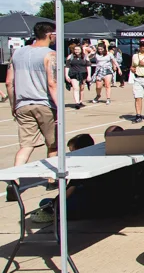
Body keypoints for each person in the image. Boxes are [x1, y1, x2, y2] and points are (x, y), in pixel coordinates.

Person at [6, 22, 58, 166]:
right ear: (49, 35)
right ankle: (52, 178)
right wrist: (59, 107)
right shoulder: (50, 54)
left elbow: (9, 82)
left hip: (23, 104)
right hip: (45, 104)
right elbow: (52, 84)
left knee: (26, 145)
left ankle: (15, 178)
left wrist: (13, 105)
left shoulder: (18, 53)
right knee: (53, 145)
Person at [31, 133, 96, 225]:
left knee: (46, 203)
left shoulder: (81, 165)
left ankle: (60, 213)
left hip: (88, 202)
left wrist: (54, 204)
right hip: (95, 199)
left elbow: (70, 190)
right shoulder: (95, 159)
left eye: (72, 151)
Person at [65, 44, 90, 109]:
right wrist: (66, 75)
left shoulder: (85, 57)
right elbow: (67, 66)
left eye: (78, 49)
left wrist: (89, 75)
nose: (77, 51)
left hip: (83, 73)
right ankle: (77, 103)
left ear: (81, 50)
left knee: (81, 88)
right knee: (75, 88)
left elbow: (88, 66)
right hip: (73, 74)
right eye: (75, 49)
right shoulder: (70, 57)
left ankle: (80, 100)